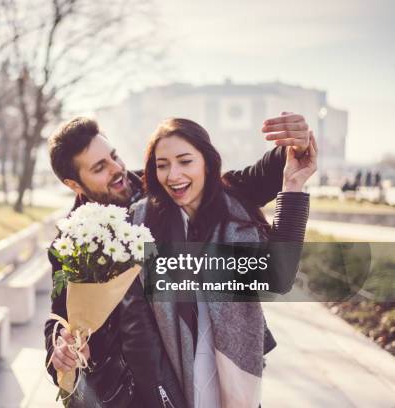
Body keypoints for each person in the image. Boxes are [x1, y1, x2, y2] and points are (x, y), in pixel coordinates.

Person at [45, 114, 312, 407]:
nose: (117, 169)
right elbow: (63, 315)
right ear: (74, 184)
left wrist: (292, 149)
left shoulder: (163, 185)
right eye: (99, 168)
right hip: (140, 384)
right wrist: (60, 349)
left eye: (114, 156)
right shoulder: (73, 240)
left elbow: (243, 184)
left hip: (213, 353)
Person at [132, 118, 316, 407]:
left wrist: (293, 182)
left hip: (233, 365)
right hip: (173, 371)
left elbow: (278, 277)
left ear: (207, 161)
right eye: (162, 164)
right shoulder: (143, 221)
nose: (173, 174)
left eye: (185, 161)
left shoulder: (234, 206)